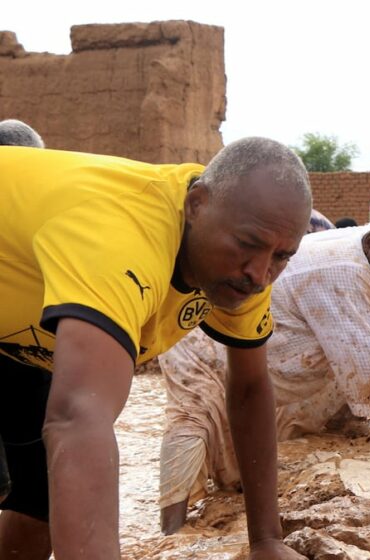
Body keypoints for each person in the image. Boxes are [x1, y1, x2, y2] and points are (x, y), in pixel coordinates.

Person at [0, 139, 313, 560]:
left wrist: (266, 541)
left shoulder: (249, 262)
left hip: (19, 335)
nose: (260, 274)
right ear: (196, 204)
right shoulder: (122, 239)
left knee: (42, 499)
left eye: (281, 256)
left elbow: (250, 387)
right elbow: (79, 416)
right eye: (248, 245)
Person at [158, 215, 370, 533]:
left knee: (235, 466)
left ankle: (223, 513)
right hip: (202, 337)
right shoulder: (345, 271)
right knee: (194, 419)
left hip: (256, 341)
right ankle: (170, 534)